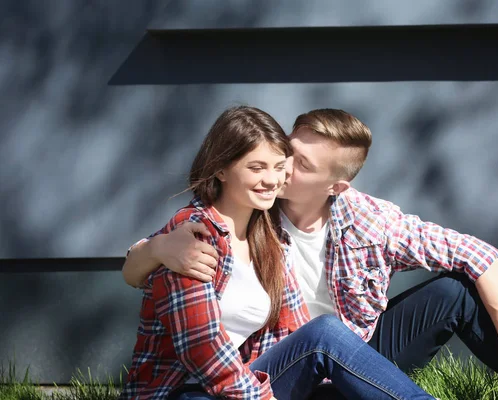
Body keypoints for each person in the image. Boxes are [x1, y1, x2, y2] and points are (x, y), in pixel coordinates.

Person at [123, 108, 498, 400]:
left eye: (294, 165)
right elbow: (185, 312)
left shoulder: (366, 219)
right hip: (263, 373)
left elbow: (477, 256)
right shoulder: (249, 215)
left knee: (455, 291)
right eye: (280, 154)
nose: (278, 174)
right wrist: (155, 248)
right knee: (322, 334)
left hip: (355, 355)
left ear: (336, 186)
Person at [119, 106, 436, 400]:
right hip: (185, 392)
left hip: (243, 382)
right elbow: (207, 357)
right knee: (324, 334)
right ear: (221, 170)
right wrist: (156, 246)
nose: (272, 180)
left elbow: (294, 328)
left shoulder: (267, 234)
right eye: (256, 167)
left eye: (278, 166)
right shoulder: (192, 235)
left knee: (328, 346)